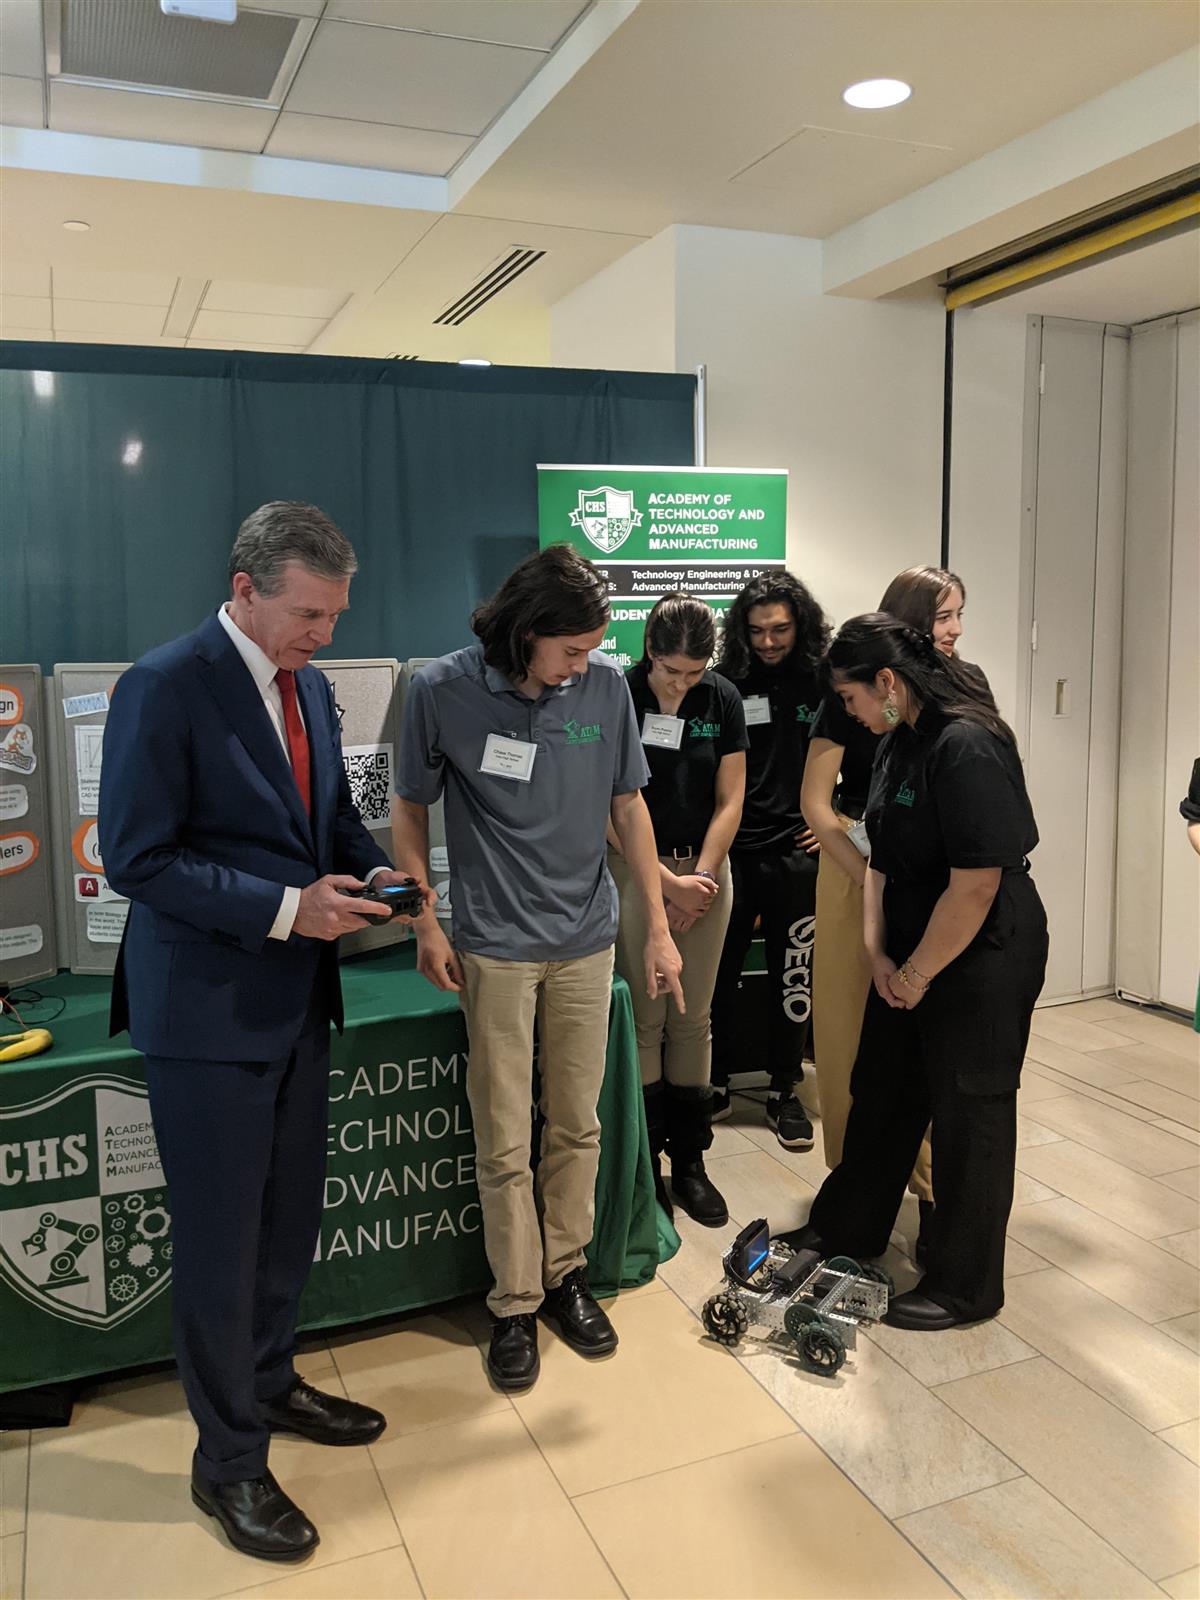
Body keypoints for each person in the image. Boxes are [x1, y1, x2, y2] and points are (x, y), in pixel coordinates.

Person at [100, 502, 430, 1562]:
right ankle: (228, 1464)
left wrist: (376, 871)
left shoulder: (315, 690)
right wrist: (291, 910)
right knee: (220, 1244)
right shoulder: (164, 684)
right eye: (307, 614)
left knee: (287, 1224)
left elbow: (323, 822)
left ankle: (272, 1383)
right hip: (204, 1019)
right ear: (245, 589)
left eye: (335, 616)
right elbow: (136, 859)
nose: (323, 635)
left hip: (297, 1008)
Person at [392, 545, 683, 1393]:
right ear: (525, 634)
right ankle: (513, 1302)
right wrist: (423, 920)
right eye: (569, 650)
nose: (581, 665)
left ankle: (567, 1277)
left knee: (578, 1124)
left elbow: (628, 806)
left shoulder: (601, 690)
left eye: (590, 650)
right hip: (494, 944)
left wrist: (656, 928)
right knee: (503, 1130)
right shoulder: (440, 690)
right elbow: (410, 810)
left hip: (587, 937)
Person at [795, 614, 1048, 1329]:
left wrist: (917, 976)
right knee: (884, 1091)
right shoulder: (894, 742)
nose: (851, 716)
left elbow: (975, 887)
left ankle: (965, 1287)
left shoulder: (966, 744)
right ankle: (847, 1230)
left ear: (887, 682)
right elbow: (877, 859)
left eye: (852, 700)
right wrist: (880, 955)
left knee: (971, 1115)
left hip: (981, 956)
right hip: (909, 948)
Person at [802, 566, 984, 1261]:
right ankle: (860, 1192)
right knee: (853, 1038)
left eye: (959, 614)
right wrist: (868, 874)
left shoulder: (964, 686)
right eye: (944, 616)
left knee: (932, 1034)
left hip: (931, 877)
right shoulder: (847, 683)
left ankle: (935, 1192)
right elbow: (816, 803)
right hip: (855, 866)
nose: (956, 629)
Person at [609, 594, 747, 1226]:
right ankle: (648, 1168)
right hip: (636, 873)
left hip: (705, 875)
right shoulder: (616, 694)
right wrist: (664, 883)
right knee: (644, 1017)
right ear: (648, 649)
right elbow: (608, 805)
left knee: (694, 1017)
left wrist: (702, 877)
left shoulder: (722, 698)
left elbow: (731, 799)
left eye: (694, 673)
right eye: (671, 671)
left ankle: (692, 1162)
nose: (682, 683)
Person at [709, 572, 829, 1150]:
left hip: (798, 857)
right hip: (733, 854)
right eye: (756, 631)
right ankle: (716, 1081)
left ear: (799, 624)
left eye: (780, 629)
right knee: (719, 977)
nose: (768, 642)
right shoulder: (726, 682)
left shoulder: (825, 680)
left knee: (793, 977)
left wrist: (837, 821)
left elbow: (864, 757)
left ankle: (786, 1090)